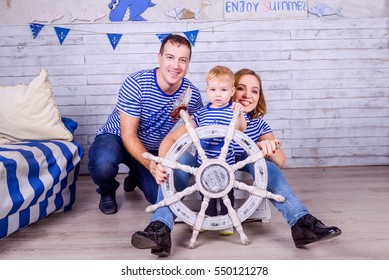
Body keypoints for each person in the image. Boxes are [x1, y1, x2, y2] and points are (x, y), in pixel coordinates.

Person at [131, 68, 342, 257]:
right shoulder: (206, 113)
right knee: (177, 161)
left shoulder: (258, 124)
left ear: (259, 97)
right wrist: (160, 164)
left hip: (238, 161)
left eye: (254, 91)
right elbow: (170, 140)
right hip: (204, 162)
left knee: (265, 165)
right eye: (241, 88)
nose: (247, 95)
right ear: (232, 90)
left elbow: (281, 160)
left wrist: (268, 148)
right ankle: (159, 228)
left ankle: (302, 223)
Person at [88, 34, 203, 215]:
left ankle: (135, 174)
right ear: (159, 57)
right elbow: (129, 135)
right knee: (104, 163)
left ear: (188, 64)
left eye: (183, 60)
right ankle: (107, 190)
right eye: (170, 57)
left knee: (159, 193)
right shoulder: (137, 84)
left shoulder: (191, 94)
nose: (175, 66)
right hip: (116, 137)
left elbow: (200, 125)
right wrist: (150, 165)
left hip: (151, 148)